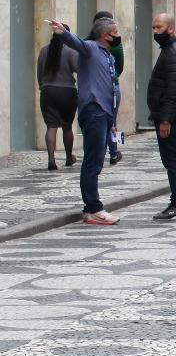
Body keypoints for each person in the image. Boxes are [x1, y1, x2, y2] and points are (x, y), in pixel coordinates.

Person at [49, 17, 122, 225]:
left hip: (104, 112)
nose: (118, 37)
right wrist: (62, 32)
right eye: (115, 33)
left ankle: (94, 206)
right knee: (93, 160)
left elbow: (109, 87)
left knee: (97, 160)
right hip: (93, 110)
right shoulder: (90, 47)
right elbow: (76, 42)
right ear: (105, 35)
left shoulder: (108, 55)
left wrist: (112, 119)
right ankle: (92, 208)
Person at [147, 14, 176, 220]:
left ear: (171, 28)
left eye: (159, 27)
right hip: (169, 116)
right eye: (154, 28)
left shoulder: (175, 52)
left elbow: (174, 91)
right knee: (172, 159)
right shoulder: (171, 49)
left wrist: (166, 120)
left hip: (172, 119)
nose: (155, 32)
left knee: (173, 160)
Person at [36, 34, 78, 171]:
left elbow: (39, 73)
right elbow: (79, 68)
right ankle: (69, 157)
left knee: (51, 126)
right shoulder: (71, 52)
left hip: (48, 91)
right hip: (68, 92)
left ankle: (51, 158)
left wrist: (42, 86)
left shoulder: (43, 51)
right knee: (67, 126)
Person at [91, 10, 124, 166]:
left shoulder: (88, 43)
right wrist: (114, 76)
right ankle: (114, 152)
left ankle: (105, 152)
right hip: (113, 85)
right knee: (113, 121)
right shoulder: (116, 45)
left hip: (100, 86)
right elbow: (120, 65)